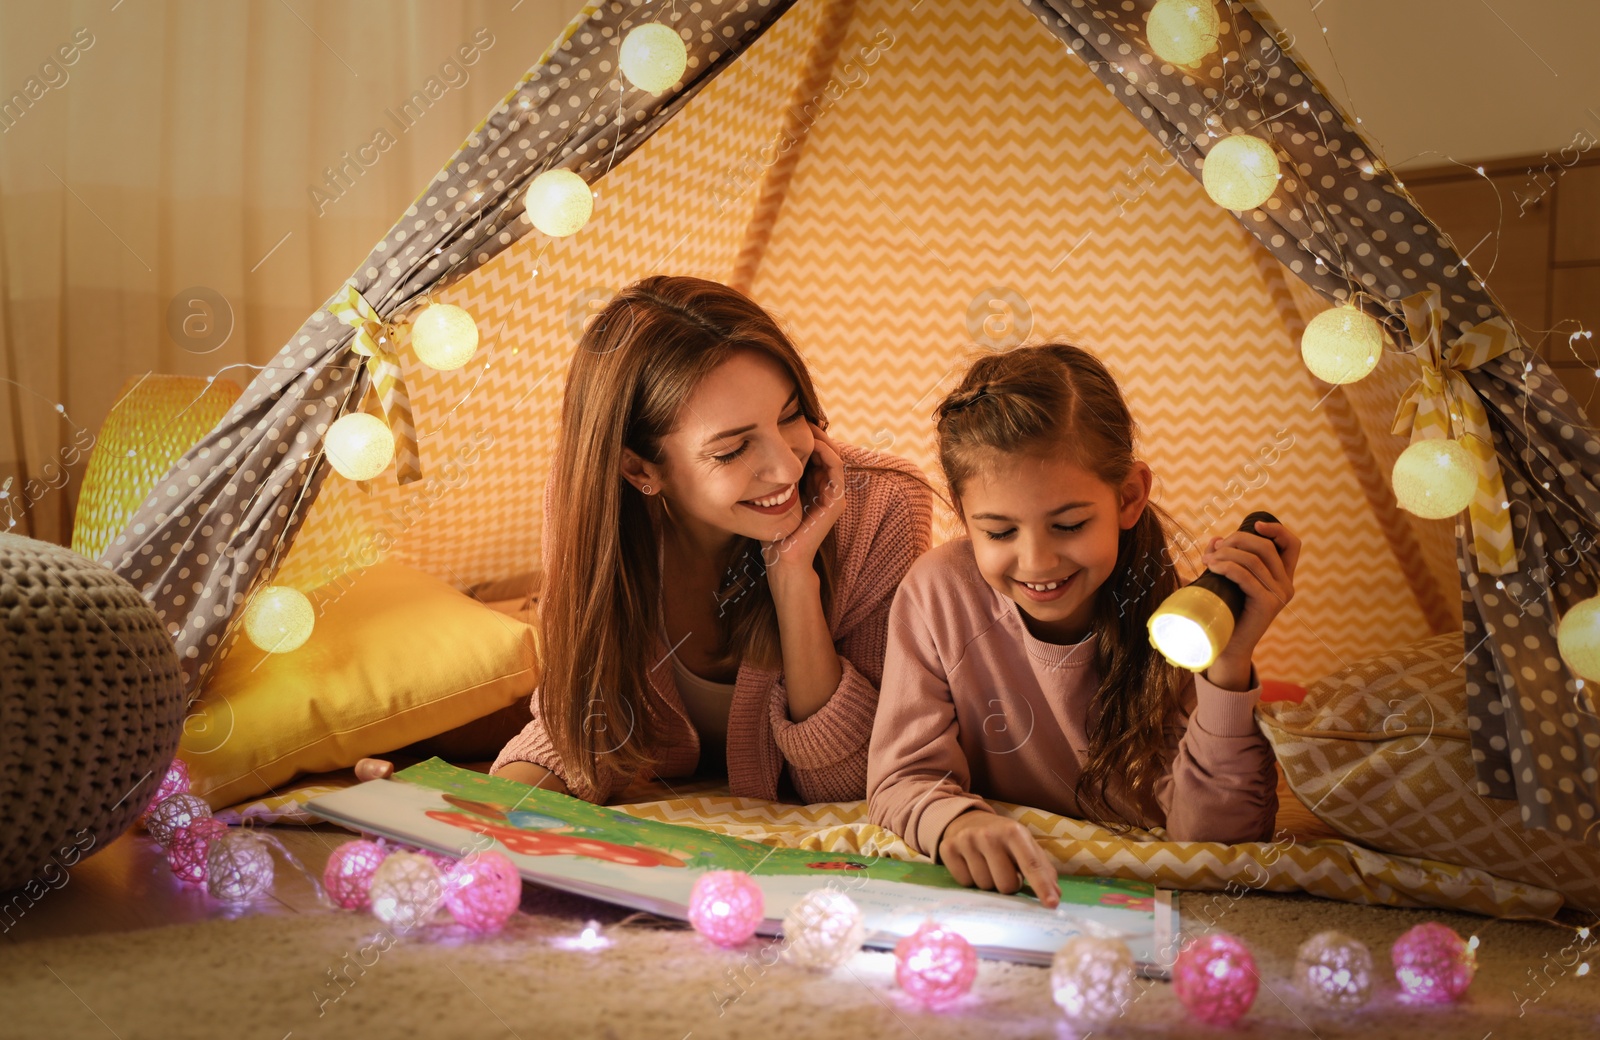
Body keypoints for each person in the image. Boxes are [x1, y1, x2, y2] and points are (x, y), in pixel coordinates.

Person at [866, 343, 1299, 908]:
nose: (1038, 561)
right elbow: (901, 777)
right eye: (999, 532)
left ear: (1129, 496)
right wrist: (955, 825)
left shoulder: (1174, 621)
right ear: (962, 512)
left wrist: (1229, 664)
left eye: (1068, 524)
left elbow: (1220, 841)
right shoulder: (937, 594)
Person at [491, 275, 934, 805]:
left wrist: (794, 584)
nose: (787, 466)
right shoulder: (591, 502)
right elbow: (576, 741)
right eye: (732, 450)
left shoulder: (882, 507)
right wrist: (467, 825)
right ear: (638, 469)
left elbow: (852, 782)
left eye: (790, 415)